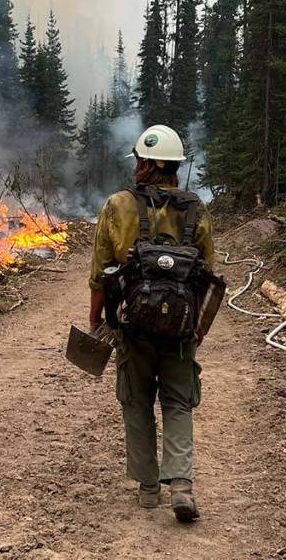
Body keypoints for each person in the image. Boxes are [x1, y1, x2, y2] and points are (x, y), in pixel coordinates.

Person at [88, 124, 215, 522]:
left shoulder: (117, 206)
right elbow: (207, 273)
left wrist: (96, 321)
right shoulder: (196, 208)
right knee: (178, 402)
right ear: (175, 166)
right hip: (180, 328)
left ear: (144, 163)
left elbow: (100, 272)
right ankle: (180, 485)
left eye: (139, 160)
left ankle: (147, 488)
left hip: (133, 326)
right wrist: (197, 327)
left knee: (136, 400)